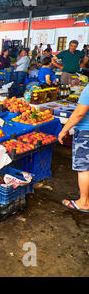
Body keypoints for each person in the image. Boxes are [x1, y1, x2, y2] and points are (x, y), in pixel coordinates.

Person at [58, 85, 89, 213]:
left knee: (83, 168)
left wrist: (64, 130)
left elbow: (79, 112)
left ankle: (84, 202)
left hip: (86, 132)